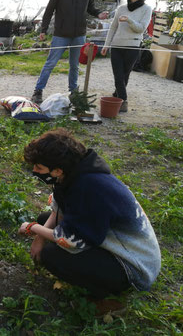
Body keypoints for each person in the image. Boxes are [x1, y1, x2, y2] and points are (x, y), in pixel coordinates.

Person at [18, 129, 160, 302]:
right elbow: (60, 209)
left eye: (39, 167)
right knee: (44, 219)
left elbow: (73, 241)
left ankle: (107, 298)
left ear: (56, 171)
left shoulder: (90, 190)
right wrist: (39, 236)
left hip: (134, 267)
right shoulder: (75, 172)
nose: (35, 171)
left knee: (51, 256)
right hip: (111, 241)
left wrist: (33, 228)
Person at [31, 0, 109, 104]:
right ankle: (38, 91)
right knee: (50, 63)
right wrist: (43, 29)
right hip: (61, 34)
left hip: (79, 34)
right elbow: (49, 10)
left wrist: (99, 13)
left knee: (75, 65)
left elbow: (91, 7)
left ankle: (73, 93)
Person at [101, 0, 153, 113]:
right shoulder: (121, 8)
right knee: (118, 75)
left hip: (133, 46)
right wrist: (106, 45)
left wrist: (129, 20)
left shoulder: (147, 9)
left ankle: (116, 95)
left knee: (125, 75)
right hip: (116, 46)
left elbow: (140, 29)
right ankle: (123, 100)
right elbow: (113, 28)